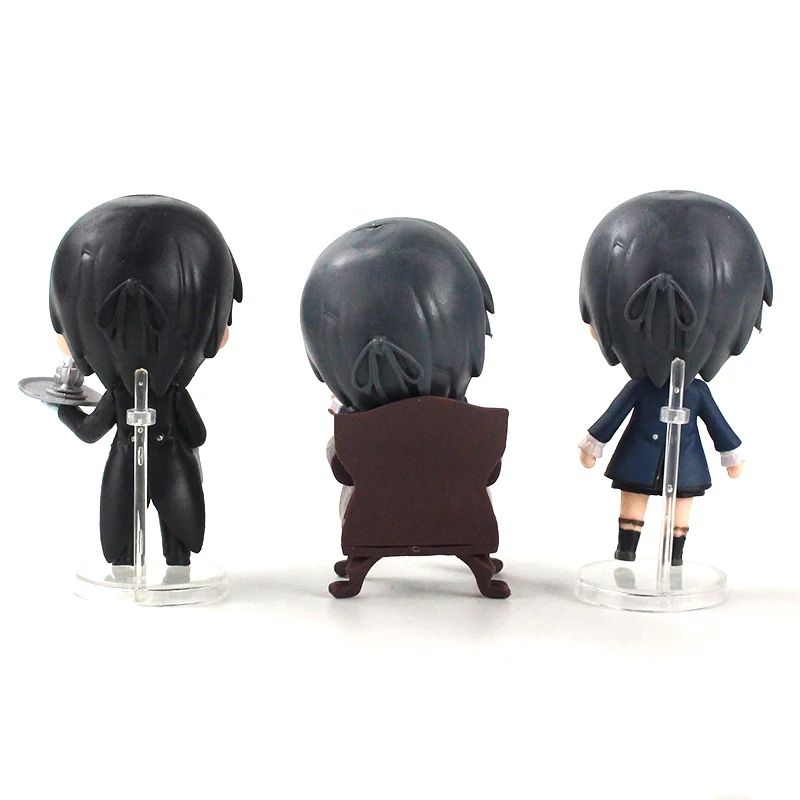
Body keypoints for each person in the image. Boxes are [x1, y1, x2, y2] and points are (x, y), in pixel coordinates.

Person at [577, 191, 772, 565]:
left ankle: (675, 554)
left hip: (685, 460)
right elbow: (614, 415)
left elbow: (716, 423)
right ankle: (627, 548)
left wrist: (729, 450)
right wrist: (594, 441)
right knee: (634, 500)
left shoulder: (696, 393)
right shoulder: (641, 388)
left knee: (680, 507)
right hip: (640, 456)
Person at [49, 195, 243, 565]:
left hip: (134, 465)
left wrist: (63, 410)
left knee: (150, 532)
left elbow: (90, 431)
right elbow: (197, 434)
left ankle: (167, 564)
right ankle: (157, 564)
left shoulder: (126, 395)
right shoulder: (164, 394)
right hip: (167, 465)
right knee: (146, 535)